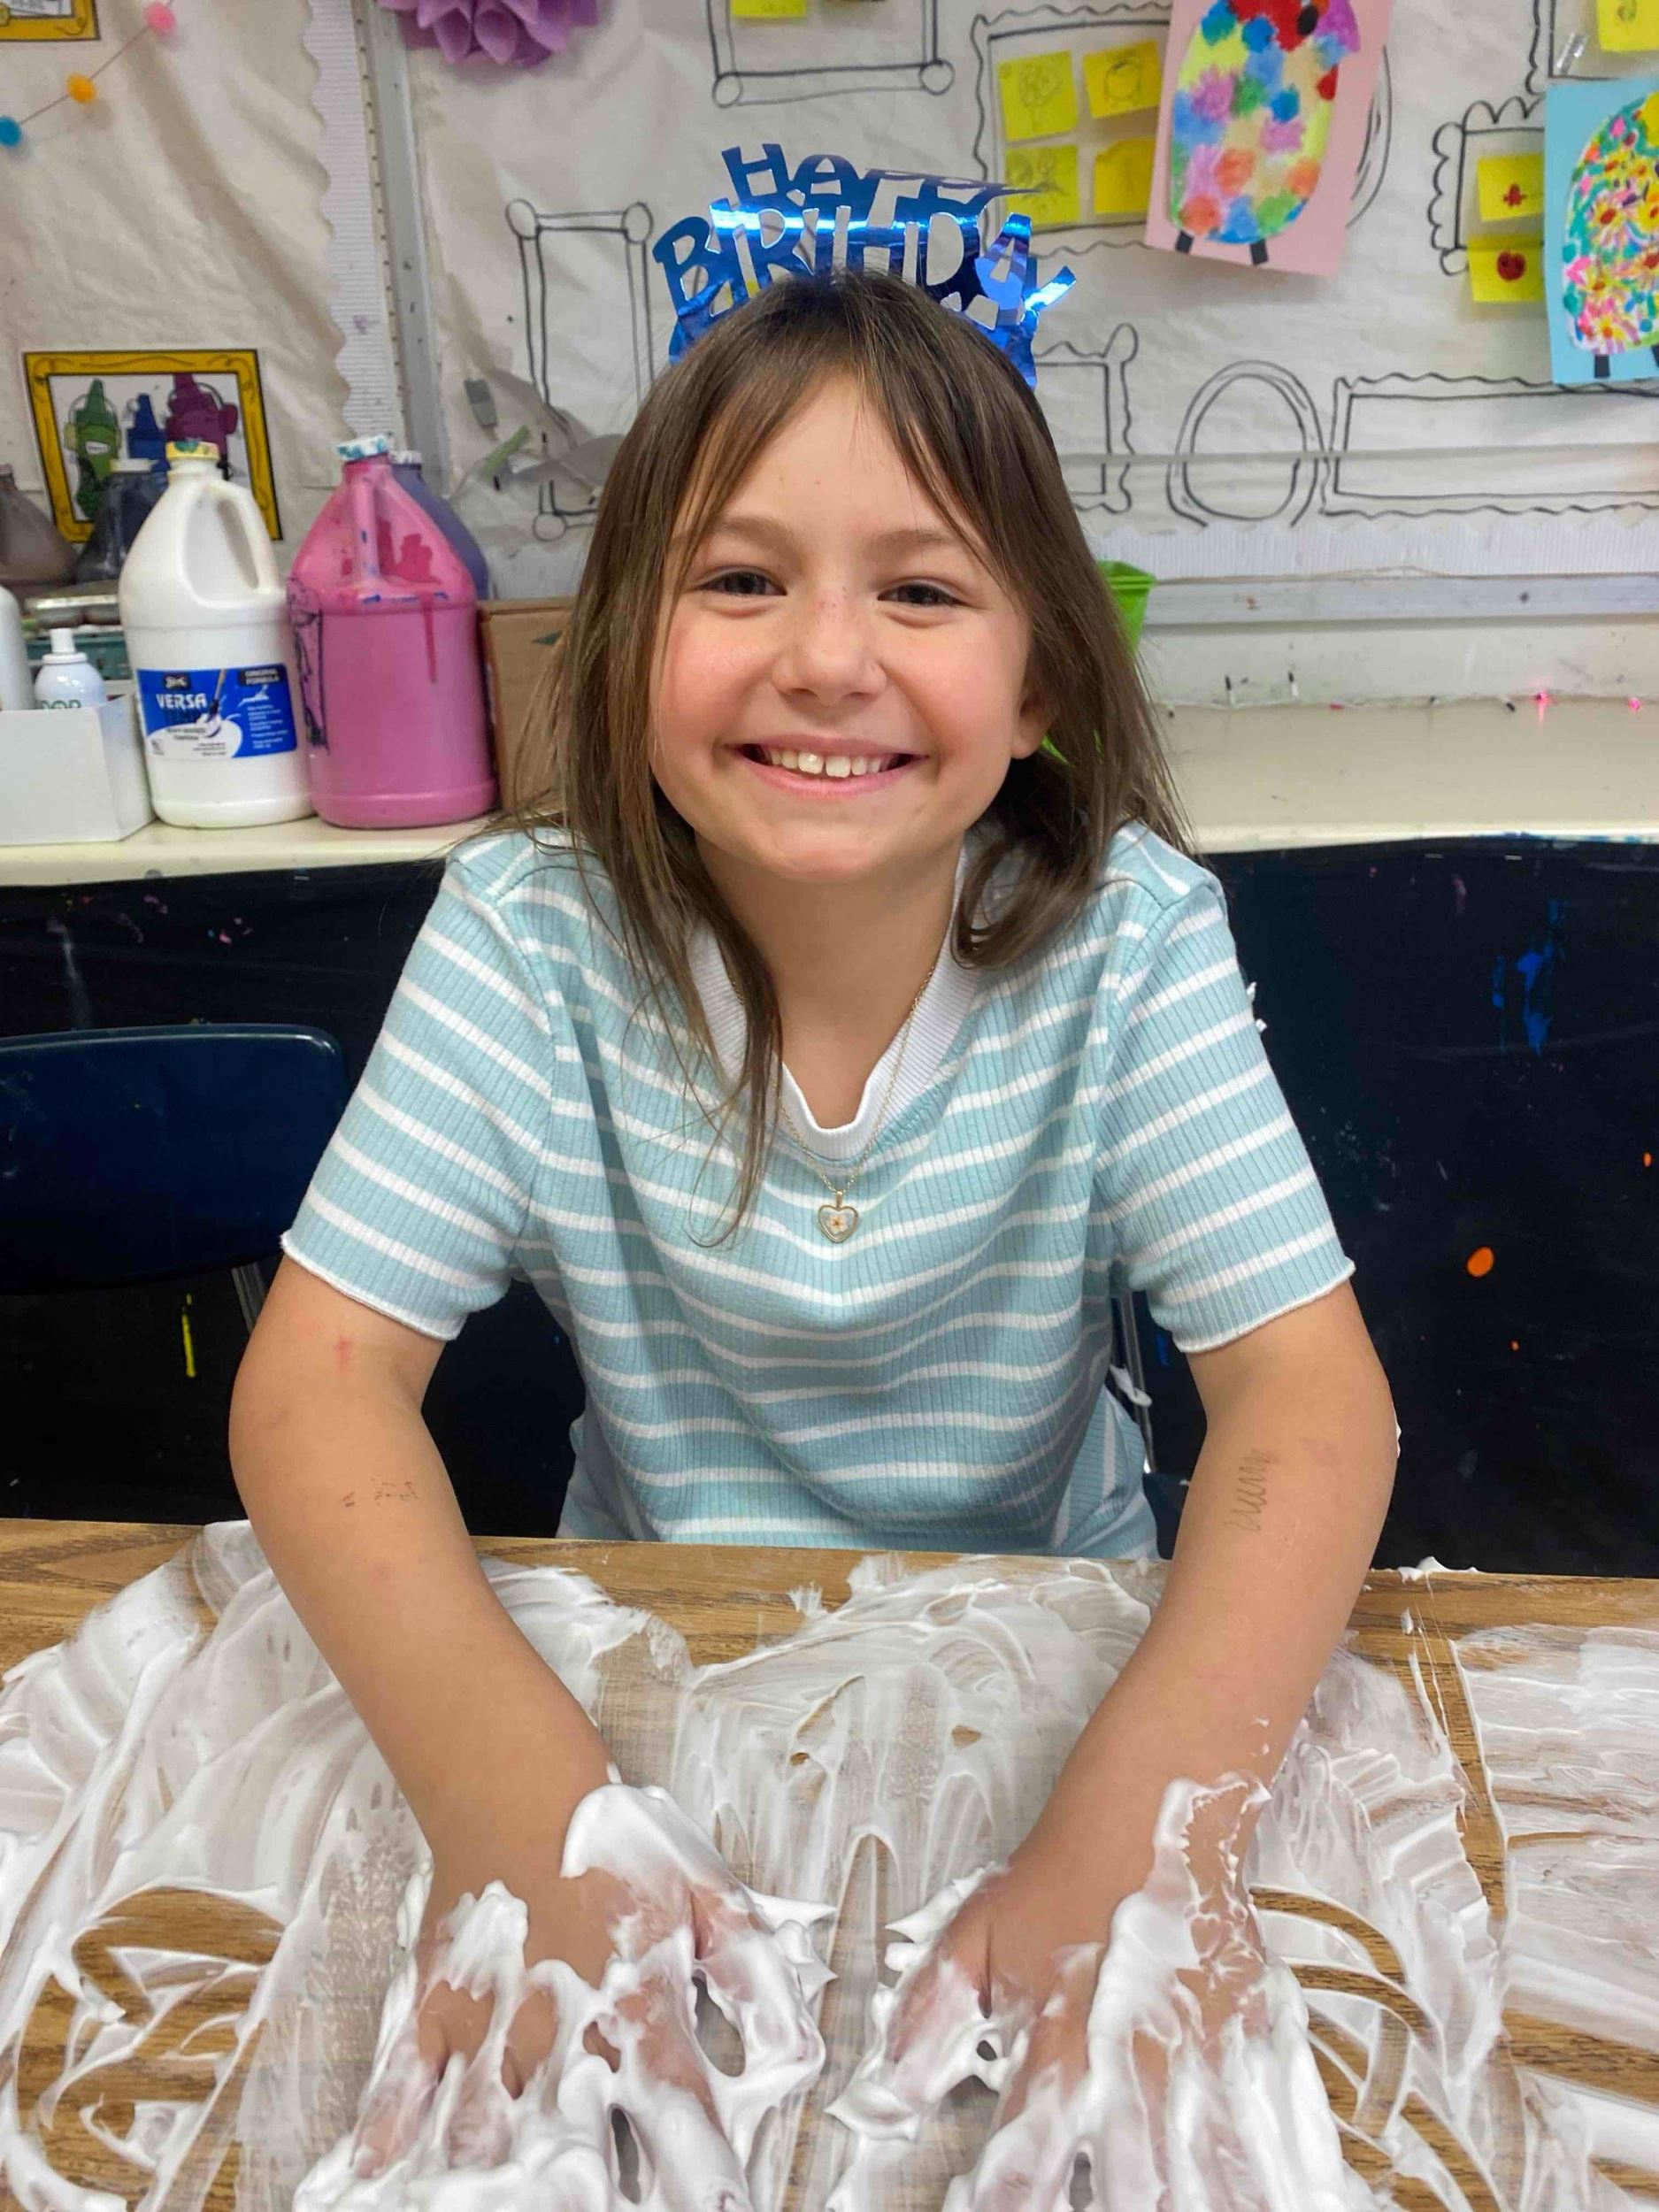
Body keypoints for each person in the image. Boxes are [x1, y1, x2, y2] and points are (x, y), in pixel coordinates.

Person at [231, 268, 1397, 2196]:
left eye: (920, 591)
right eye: (740, 579)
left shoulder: (1129, 943)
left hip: (1059, 1644)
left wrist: (1138, 1846)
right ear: (626, 645)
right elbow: (314, 1392)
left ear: (1040, 683)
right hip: (649, 1671)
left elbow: (1306, 1401)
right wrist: (525, 1824)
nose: (826, 659)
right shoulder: (527, 941)